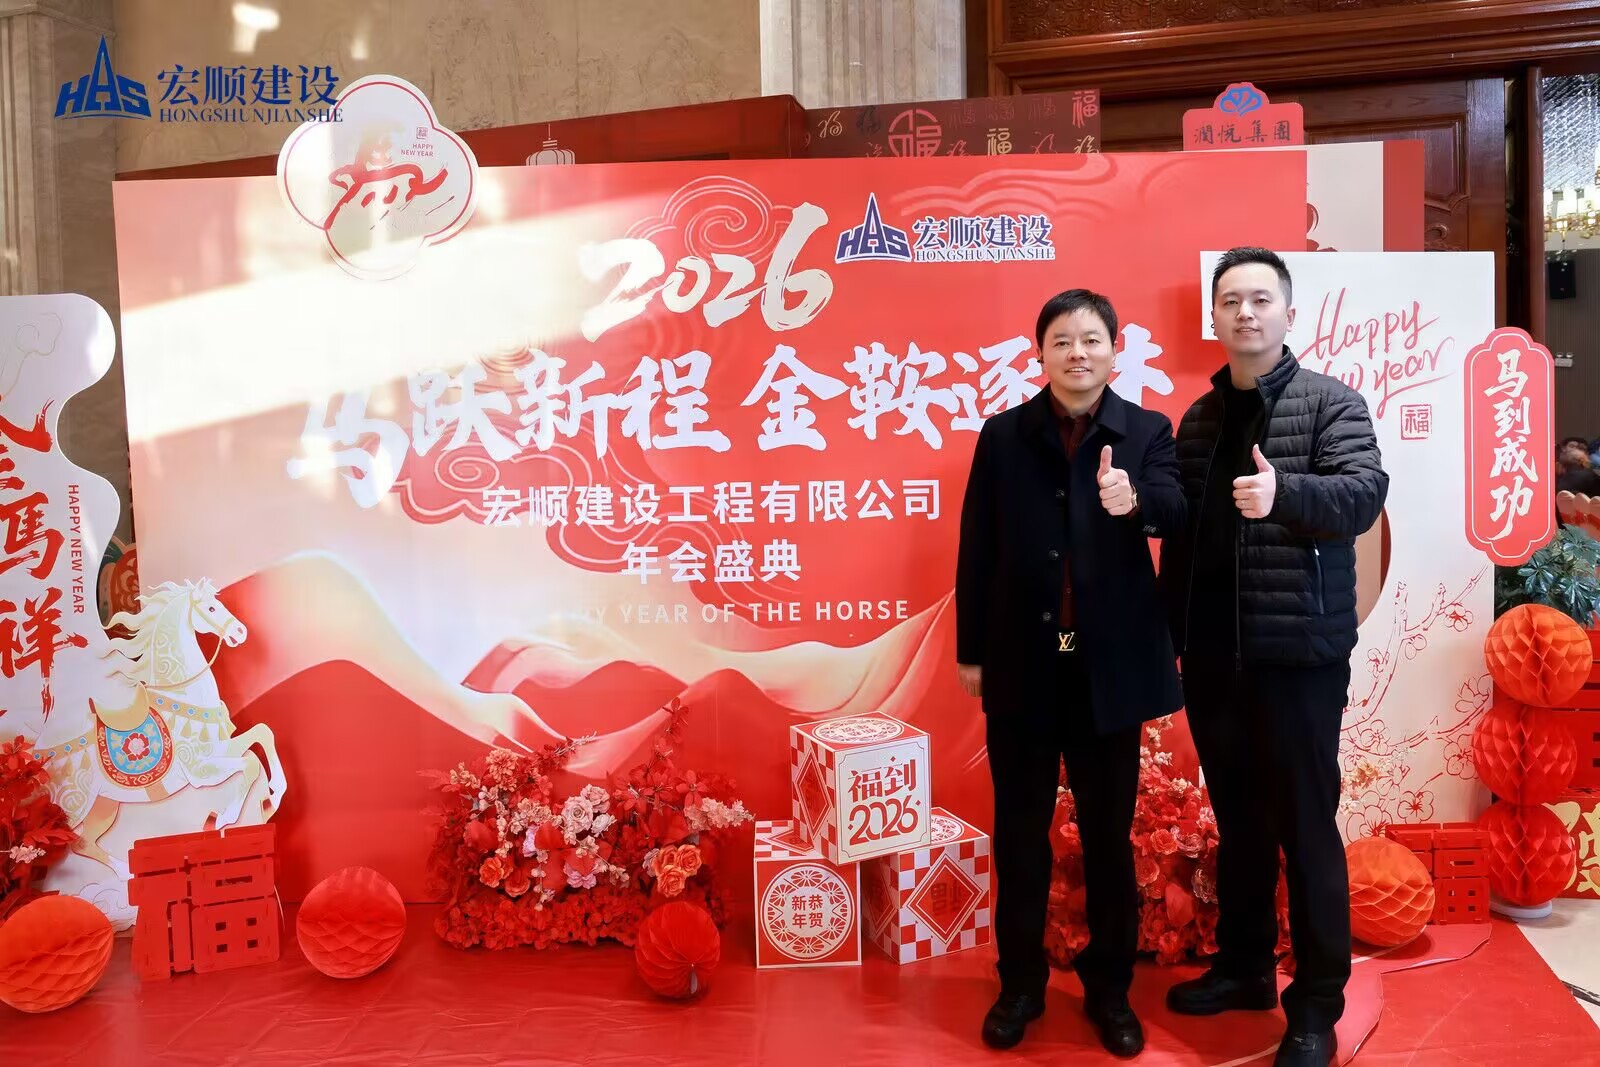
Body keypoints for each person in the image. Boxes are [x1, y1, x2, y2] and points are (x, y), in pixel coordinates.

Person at [1162, 248, 1388, 1067]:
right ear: (1214, 317)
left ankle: (1317, 1006)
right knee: (1240, 821)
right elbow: (1181, 533)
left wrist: (1283, 493)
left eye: (1261, 298)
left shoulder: (1332, 403)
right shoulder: (1198, 421)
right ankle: (1247, 967)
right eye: (1231, 300)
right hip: (1215, 659)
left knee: (1305, 826)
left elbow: (1363, 495)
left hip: (1298, 657)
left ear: (1289, 312)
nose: (1245, 312)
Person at [956, 288, 1186, 1055]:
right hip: (1023, 664)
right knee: (1020, 833)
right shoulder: (1003, 436)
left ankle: (1110, 989)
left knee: (1108, 838)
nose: (1077, 352)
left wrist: (1135, 499)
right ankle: (1019, 984)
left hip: (1106, 670)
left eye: (1091, 339)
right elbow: (977, 546)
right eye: (1062, 340)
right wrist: (971, 651)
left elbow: (1175, 508)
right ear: (1042, 353)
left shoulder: (1147, 430)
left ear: (1115, 350)